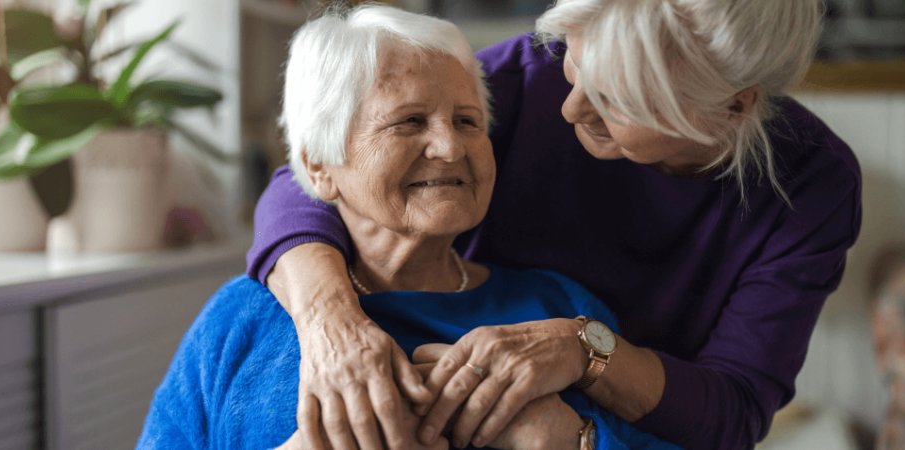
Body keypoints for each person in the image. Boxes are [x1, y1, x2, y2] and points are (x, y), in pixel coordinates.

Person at [250, 1, 863, 449]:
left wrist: (583, 353)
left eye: (619, 98)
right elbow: (313, 179)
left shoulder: (812, 184)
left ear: (733, 106)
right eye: (577, 63)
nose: (570, 108)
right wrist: (332, 325)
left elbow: (733, 411)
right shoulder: (529, 76)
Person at [135, 6, 684, 449]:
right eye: (409, 122)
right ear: (320, 165)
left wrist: (571, 440)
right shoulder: (243, 319)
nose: (450, 147)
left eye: (468, 122)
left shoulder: (562, 308)